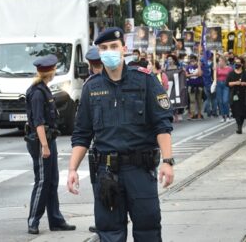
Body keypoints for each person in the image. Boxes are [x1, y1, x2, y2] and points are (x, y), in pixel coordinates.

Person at [67, 27, 174, 241]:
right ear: (99, 51)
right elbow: (82, 134)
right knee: (109, 233)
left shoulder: (145, 80)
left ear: (124, 48)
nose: (109, 51)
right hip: (106, 174)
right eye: (104, 48)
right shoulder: (91, 88)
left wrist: (168, 161)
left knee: (148, 231)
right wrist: (72, 169)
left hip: (140, 171)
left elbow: (162, 124)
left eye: (114, 47)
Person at [25, 54, 75, 235]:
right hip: (41, 141)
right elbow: (38, 122)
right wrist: (45, 146)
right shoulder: (38, 93)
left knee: (52, 181)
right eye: (54, 69)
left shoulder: (43, 89)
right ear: (50, 72)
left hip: (48, 140)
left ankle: (56, 220)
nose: (55, 72)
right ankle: (33, 220)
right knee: (43, 181)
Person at [226, 56, 246, 134]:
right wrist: (235, 83)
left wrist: (244, 83)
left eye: (238, 63)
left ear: (242, 64)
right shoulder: (231, 73)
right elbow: (227, 83)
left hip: (243, 94)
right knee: (236, 111)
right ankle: (238, 126)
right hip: (234, 94)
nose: (237, 64)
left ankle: (240, 125)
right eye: (235, 63)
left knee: (243, 112)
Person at [215, 56, 233, 122]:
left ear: (224, 61)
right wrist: (214, 70)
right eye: (219, 61)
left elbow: (231, 77)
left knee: (225, 100)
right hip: (219, 84)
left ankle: (227, 115)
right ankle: (223, 116)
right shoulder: (217, 68)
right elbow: (215, 77)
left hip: (226, 84)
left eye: (221, 61)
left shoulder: (229, 69)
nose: (219, 62)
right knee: (220, 101)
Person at [185, 55, 204, 119]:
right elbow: (186, 75)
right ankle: (192, 114)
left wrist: (199, 66)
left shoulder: (200, 66)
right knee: (192, 100)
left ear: (196, 60)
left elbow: (200, 74)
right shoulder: (188, 67)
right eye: (191, 60)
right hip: (191, 85)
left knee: (199, 100)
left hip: (199, 86)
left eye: (194, 60)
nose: (192, 61)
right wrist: (194, 74)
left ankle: (199, 113)